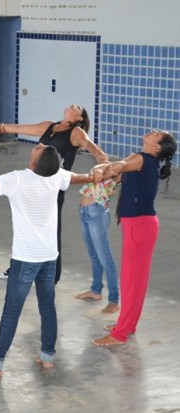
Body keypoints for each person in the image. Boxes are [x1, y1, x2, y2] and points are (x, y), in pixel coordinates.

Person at [0, 144, 94, 378]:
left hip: (26, 258)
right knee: (47, 305)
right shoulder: (56, 175)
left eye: (40, 148)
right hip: (49, 255)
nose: (39, 145)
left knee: (12, 311)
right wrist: (102, 172)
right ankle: (47, 356)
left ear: (33, 164)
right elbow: (81, 178)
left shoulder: (17, 179)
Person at [0, 104, 108, 283]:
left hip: (54, 186)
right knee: (25, 226)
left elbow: (96, 151)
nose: (72, 105)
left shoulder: (76, 132)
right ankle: (17, 267)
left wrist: (102, 163)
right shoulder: (49, 126)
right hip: (33, 183)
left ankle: (51, 274)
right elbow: (21, 128)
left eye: (77, 107)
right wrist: (0, 127)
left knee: (52, 229)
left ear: (79, 118)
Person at [92, 130, 177, 347]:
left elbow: (118, 167)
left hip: (140, 226)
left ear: (157, 146)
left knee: (132, 281)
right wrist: (108, 168)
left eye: (158, 134)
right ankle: (126, 325)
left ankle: (120, 334)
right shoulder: (140, 158)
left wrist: (107, 167)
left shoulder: (143, 159)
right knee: (133, 280)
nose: (154, 131)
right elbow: (120, 171)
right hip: (138, 225)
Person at [74, 174, 121, 313]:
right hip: (84, 212)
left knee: (106, 259)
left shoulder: (122, 170)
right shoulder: (107, 167)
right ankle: (96, 291)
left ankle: (114, 300)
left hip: (97, 214)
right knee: (94, 255)